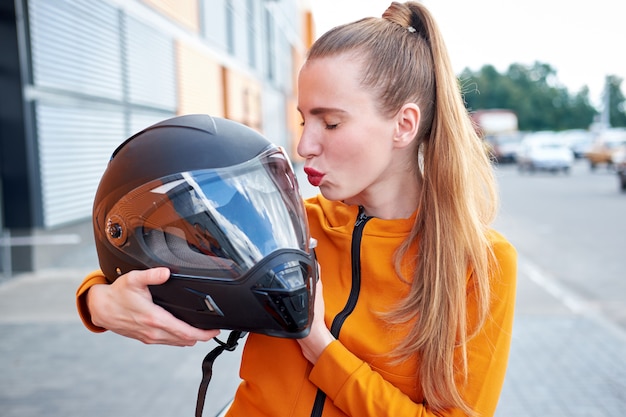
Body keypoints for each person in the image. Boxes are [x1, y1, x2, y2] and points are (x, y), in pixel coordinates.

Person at [76, 1, 517, 416]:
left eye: (331, 122)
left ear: (403, 125)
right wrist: (99, 303)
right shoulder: (288, 224)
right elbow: (146, 255)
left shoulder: (481, 264)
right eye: (305, 120)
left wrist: (318, 343)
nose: (305, 146)